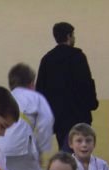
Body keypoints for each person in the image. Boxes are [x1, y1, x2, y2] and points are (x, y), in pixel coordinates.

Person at [36, 22, 98, 151]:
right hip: (79, 115)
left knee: (65, 150)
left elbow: (40, 90)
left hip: (58, 118)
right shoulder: (77, 57)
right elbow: (86, 84)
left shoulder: (47, 59)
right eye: (73, 35)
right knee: (81, 151)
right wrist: (92, 103)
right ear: (69, 36)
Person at [0, 63, 54, 170]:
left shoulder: (3, 98)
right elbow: (46, 123)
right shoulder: (35, 97)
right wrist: (40, 150)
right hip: (22, 147)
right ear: (31, 84)